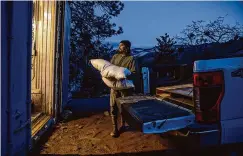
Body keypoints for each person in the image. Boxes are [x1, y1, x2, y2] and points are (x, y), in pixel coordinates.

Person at [109, 40, 138, 138]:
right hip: (114, 86)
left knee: (124, 107)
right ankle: (114, 128)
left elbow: (134, 73)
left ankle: (123, 124)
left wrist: (124, 76)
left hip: (125, 88)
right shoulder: (115, 57)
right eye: (119, 45)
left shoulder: (131, 59)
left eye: (122, 46)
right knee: (113, 107)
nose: (120, 47)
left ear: (127, 47)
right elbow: (109, 68)